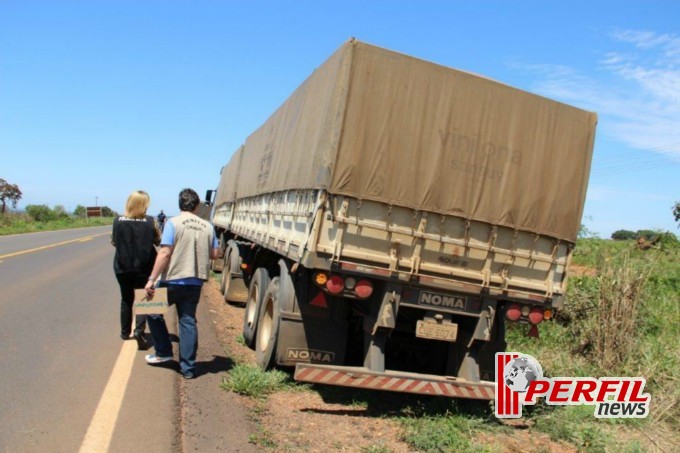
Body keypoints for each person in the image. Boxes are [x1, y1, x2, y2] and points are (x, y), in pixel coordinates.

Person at [144, 188, 219, 379]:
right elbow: (215, 255)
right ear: (196, 205)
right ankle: (189, 369)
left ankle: (164, 352)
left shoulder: (173, 223)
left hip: (172, 280)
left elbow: (165, 253)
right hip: (195, 282)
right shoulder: (208, 226)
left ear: (180, 204)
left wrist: (152, 279)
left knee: (152, 311)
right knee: (188, 322)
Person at [111, 190, 161, 350]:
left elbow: (114, 242)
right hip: (144, 267)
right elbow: (157, 241)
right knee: (144, 299)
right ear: (144, 205)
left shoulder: (117, 221)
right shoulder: (149, 221)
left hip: (122, 267)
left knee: (126, 299)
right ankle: (139, 331)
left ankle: (125, 332)